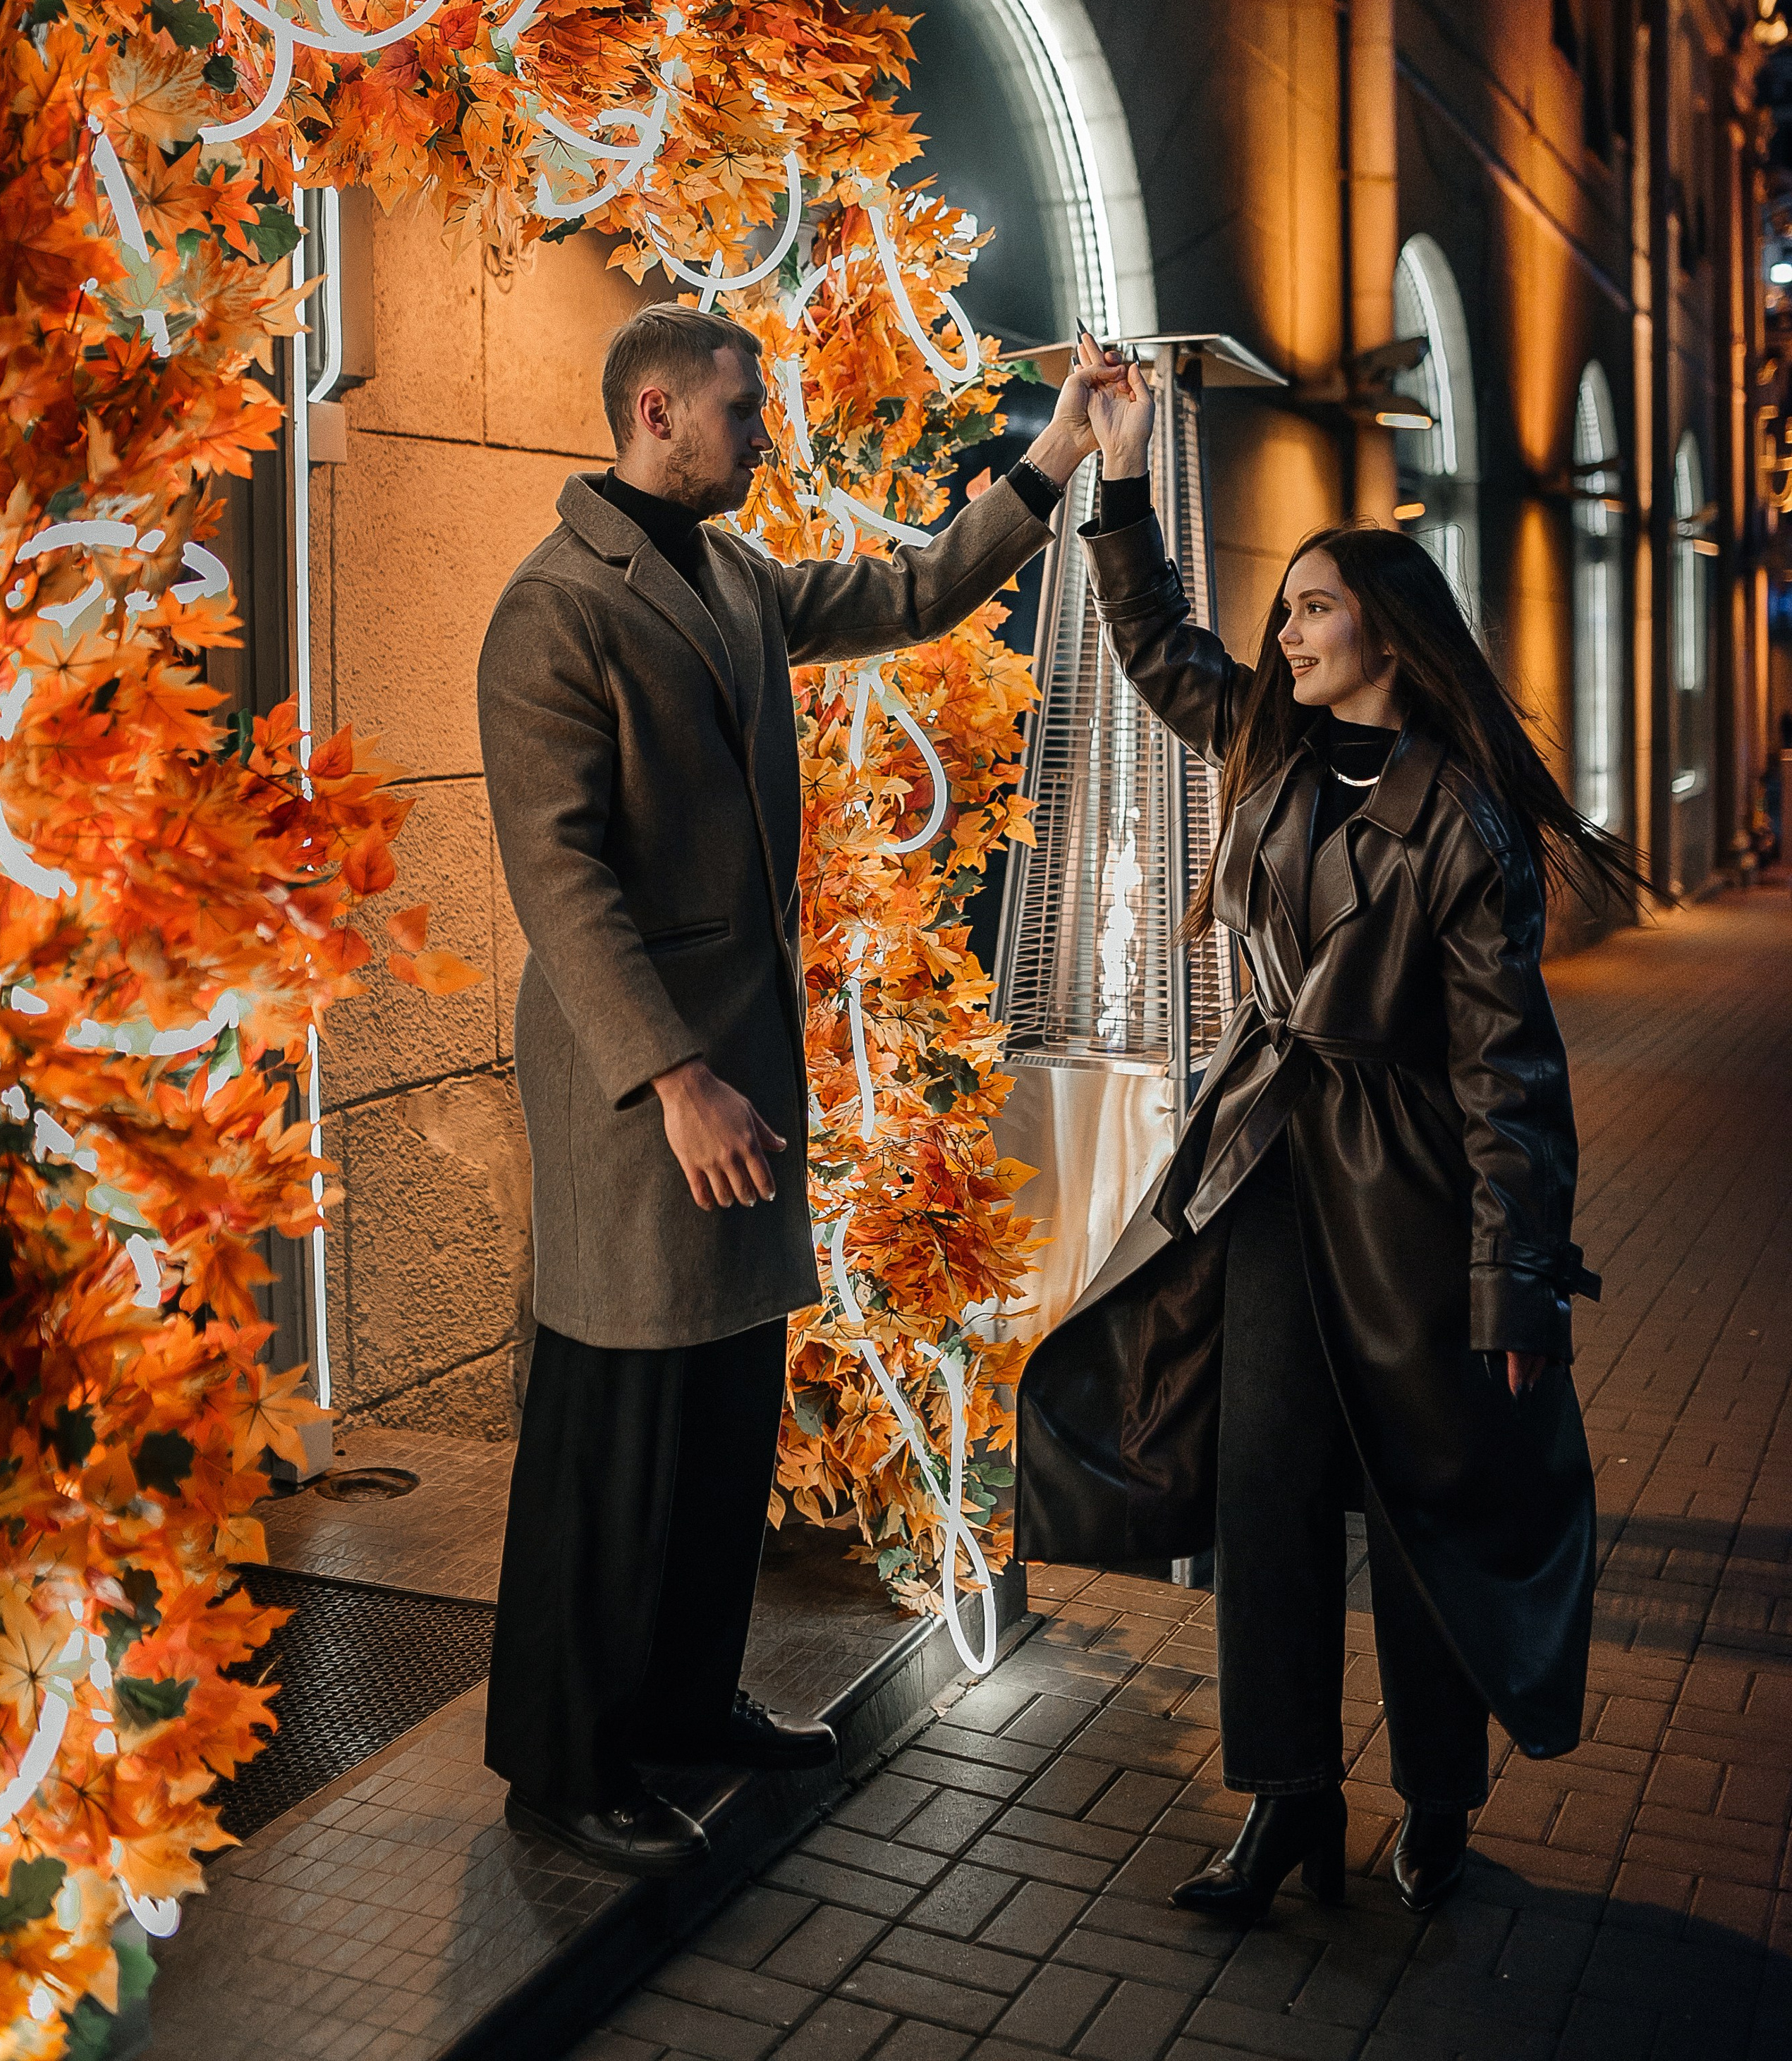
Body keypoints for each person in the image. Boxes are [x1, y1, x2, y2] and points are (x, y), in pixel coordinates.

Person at [1017, 336, 1638, 1923]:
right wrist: (1123, 473)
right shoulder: (1269, 746)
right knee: (1264, 1488)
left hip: (1410, 1194)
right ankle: (1284, 1798)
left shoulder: (1462, 820)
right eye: (1283, 606)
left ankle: (1435, 1801)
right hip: (1269, 1167)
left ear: (1382, 628)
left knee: (1421, 1506)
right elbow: (1158, 649)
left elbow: (1507, 1070)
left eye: (1307, 605)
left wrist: (1514, 1285)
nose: (1281, 628)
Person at [478, 301, 1099, 1876]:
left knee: (720, 1410)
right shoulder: (554, 607)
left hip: (735, 1072)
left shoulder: (735, 577)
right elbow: (557, 877)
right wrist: (673, 1075)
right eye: (740, 408)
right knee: (617, 1420)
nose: (764, 430)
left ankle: (685, 1705)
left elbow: (905, 593)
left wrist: (1052, 459)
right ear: (652, 412)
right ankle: (565, 1759)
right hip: (644, 1091)